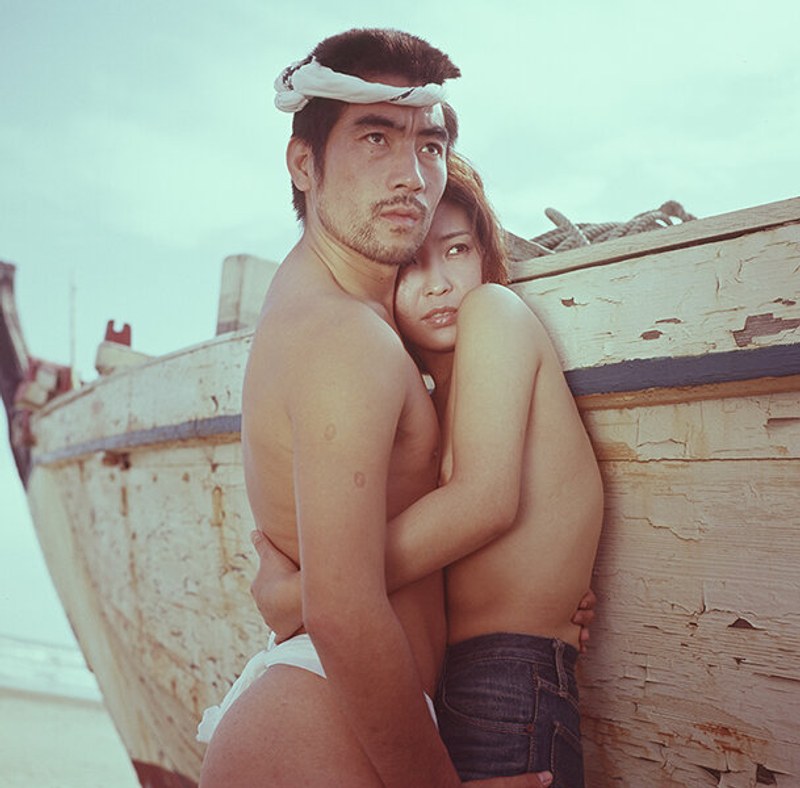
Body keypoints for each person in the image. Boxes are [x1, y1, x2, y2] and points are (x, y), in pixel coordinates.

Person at [197, 28, 555, 788]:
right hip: (325, 723)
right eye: (375, 138)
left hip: (326, 708)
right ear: (304, 164)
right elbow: (342, 604)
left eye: (430, 145)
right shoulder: (345, 336)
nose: (412, 177)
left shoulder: (319, 297)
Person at [250, 152, 604, 787]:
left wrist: (303, 593)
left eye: (457, 250)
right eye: (411, 263)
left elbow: (484, 502)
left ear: (486, 255)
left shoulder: (494, 311)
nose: (438, 283)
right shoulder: (421, 401)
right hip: (453, 685)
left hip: (507, 684)